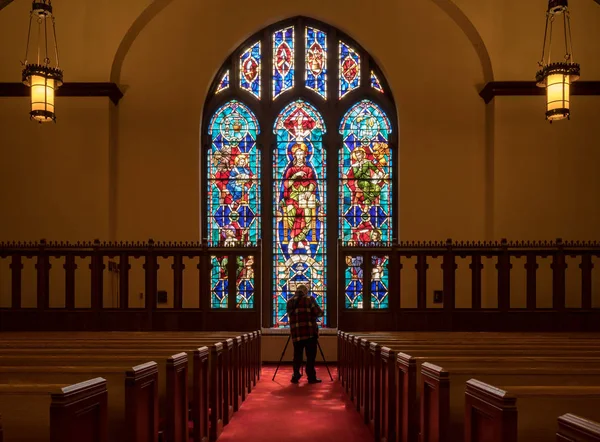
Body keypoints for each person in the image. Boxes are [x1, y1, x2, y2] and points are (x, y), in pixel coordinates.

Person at [286, 284, 323, 384]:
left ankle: (296, 375)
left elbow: (290, 315)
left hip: (296, 333)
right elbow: (319, 313)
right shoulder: (309, 299)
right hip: (309, 332)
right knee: (310, 356)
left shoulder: (289, 301)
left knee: (297, 355)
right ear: (305, 291)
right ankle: (311, 377)